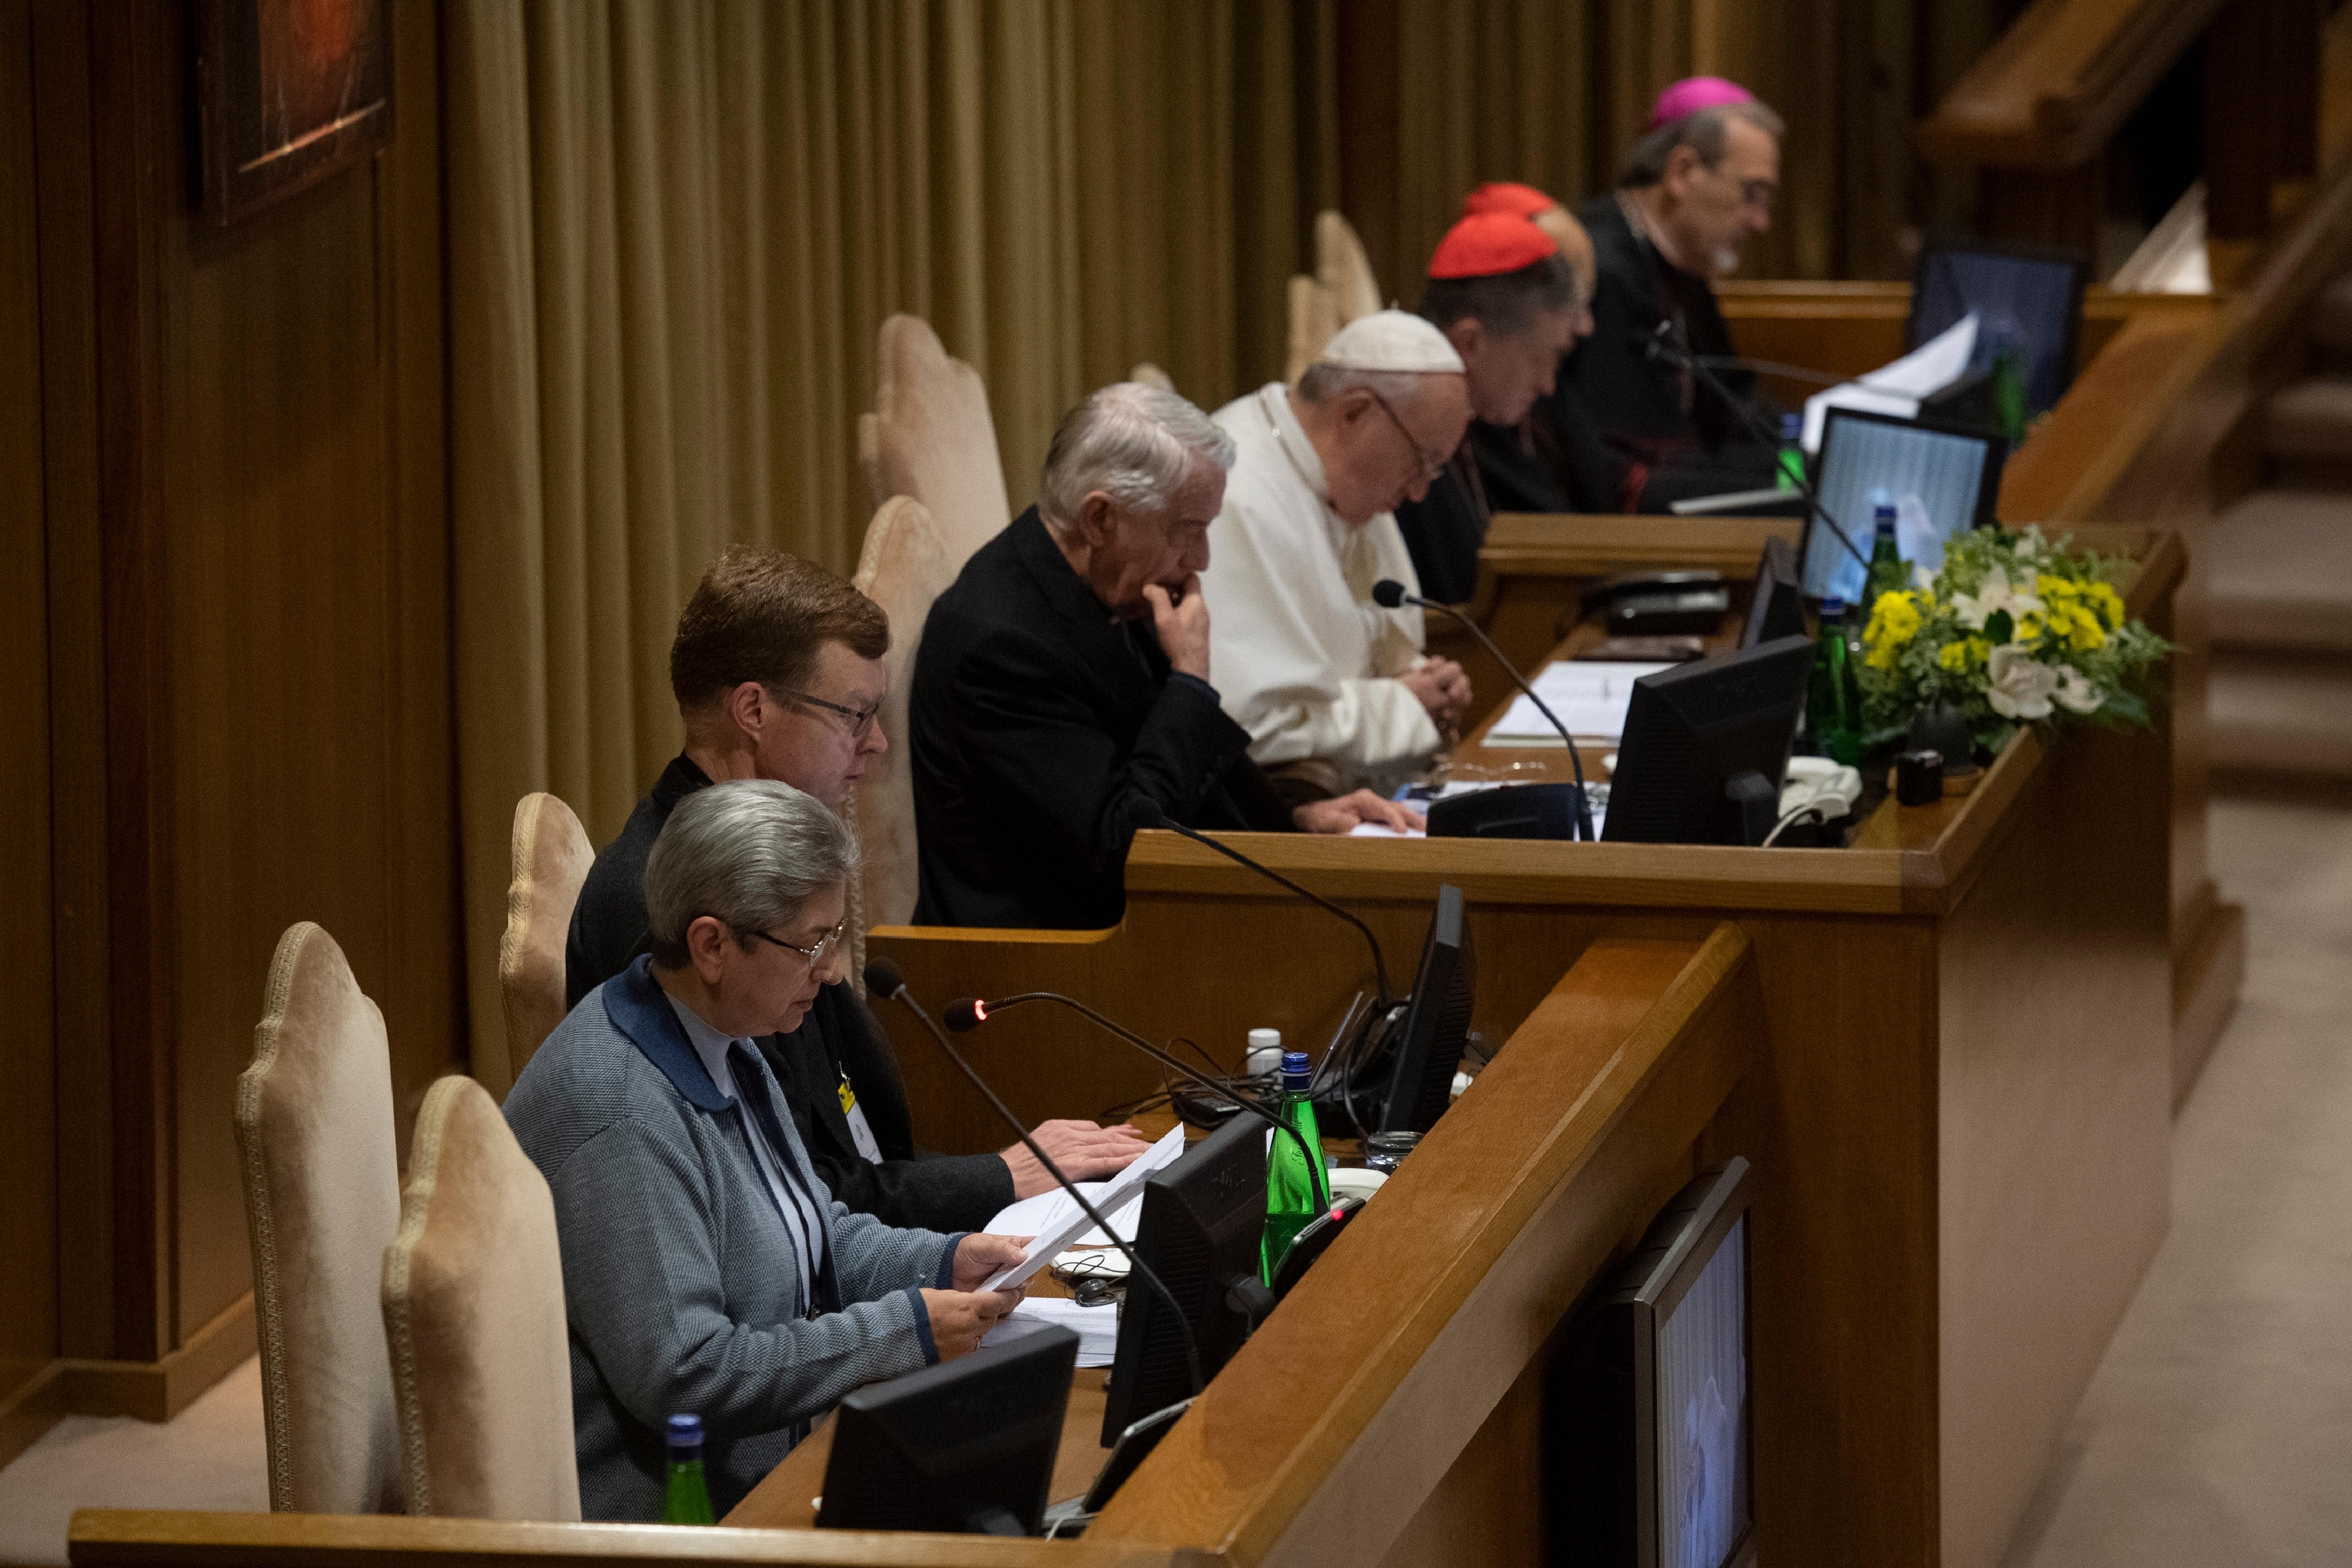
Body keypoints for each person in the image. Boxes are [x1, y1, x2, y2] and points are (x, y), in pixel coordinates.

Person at [566, 547, 1149, 1231]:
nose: (877, 744)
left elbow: (853, 1143)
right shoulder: (666, 904)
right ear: (753, 709)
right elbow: (780, 1195)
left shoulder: (778, 861)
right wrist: (999, 1178)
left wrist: (1005, 1187)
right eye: (854, 714)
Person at [507, 780, 1030, 1519]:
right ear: (712, 945)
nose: (832, 969)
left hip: (785, 1462)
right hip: (681, 1518)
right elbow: (684, 1374)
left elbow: (817, 1232)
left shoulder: (724, 1034)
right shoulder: (620, 1112)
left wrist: (944, 1259)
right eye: (811, 944)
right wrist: (901, 1331)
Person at [910, 383, 1420, 929]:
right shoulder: (1003, 647)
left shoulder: (1105, 582)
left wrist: (1295, 822)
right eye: (1188, 531)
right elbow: (1126, 850)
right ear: (1100, 519)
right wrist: (1190, 682)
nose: (1201, 559)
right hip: (1047, 958)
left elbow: (1164, 785)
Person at [1197, 310, 1478, 802]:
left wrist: (1427, 684)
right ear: (1355, 412)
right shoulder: (1236, 493)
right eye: (1421, 461)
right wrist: (1405, 707)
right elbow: (1251, 725)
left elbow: (1370, 650)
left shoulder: (1346, 481)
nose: (1419, 493)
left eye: (1434, 471)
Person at [1565, 77, 1789, 510]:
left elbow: (1735, 412)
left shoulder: (1686, 271)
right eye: (1751, 194)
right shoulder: (1603, 272)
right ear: (1682, 172)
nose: (1760, 221)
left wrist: (1802, 451)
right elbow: (1628, 467)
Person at [1393, 210, 1589, 603]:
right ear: (1469, 343)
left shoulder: (1474, 429)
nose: (1548, 385)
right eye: (1542, 358)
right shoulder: (1402, 445)